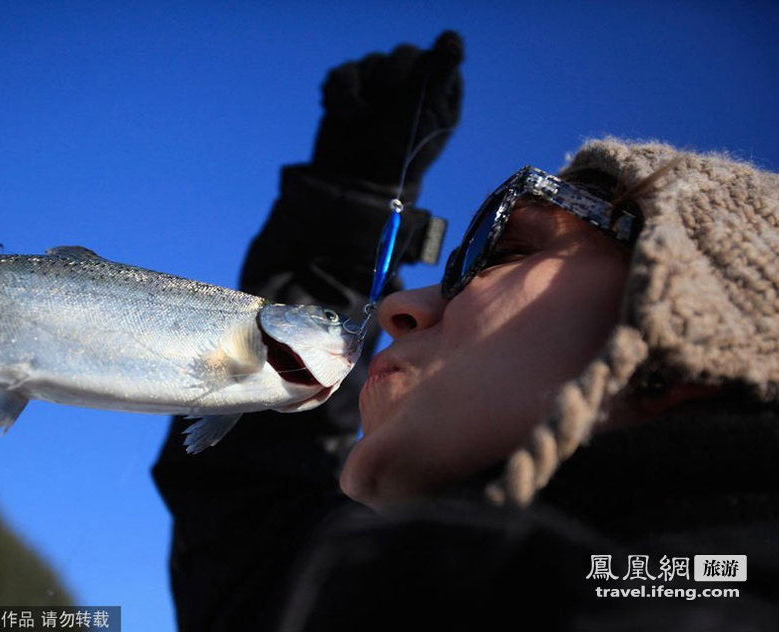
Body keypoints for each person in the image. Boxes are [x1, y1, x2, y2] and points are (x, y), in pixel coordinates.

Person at [151, 31, 779, 631]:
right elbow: (249, 516)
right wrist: (345, 216)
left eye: (502, 251)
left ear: (695, 306)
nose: (404, 305)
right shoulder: (372, 592)